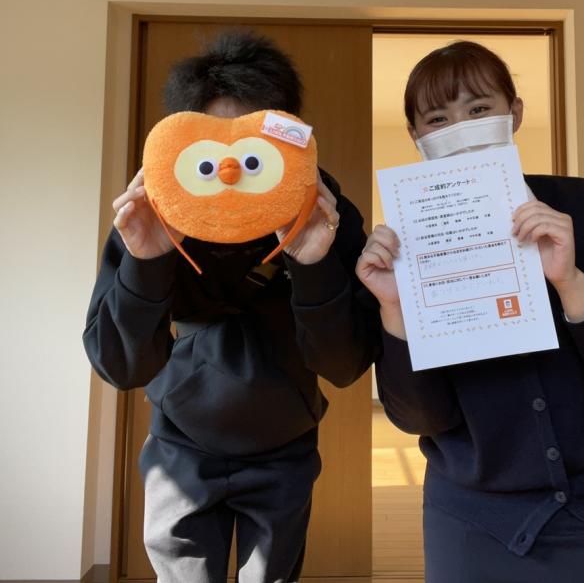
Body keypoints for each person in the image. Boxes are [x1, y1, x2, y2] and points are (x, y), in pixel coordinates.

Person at [358, 41, 584, 582]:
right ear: (416, 136)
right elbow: (418, 418)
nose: (461, 129)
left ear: (515, 113)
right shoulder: (408, 243)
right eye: (438, 119)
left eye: (479, 109)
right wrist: (394, 306)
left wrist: (570, 282)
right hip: (471, 519)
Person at [83, 30, 380, 583]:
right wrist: (147, 259)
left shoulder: (323, 208)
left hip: (285, 441)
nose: (231, 167)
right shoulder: (157, 207)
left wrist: (312, 261)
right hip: (180, 441)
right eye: (214, 140)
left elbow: (344, 364)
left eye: (251, 141)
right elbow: (119, 365)